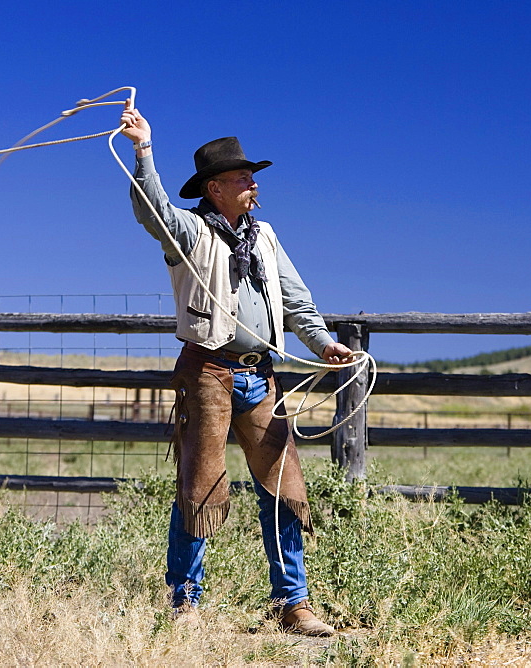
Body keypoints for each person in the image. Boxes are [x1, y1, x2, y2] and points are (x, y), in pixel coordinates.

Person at [121, 108, 352, 637]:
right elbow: (152, 211)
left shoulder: (265, 237)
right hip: (207, 371)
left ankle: (293, 604)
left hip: (259, 375)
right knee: (201, 485)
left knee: (283, 487)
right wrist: (144, 151)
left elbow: (296, 300)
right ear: (215, 188)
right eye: (243, 178)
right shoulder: (188, 232)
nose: (253, 184)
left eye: (252, 177)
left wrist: (322, 344)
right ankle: (185, 603)